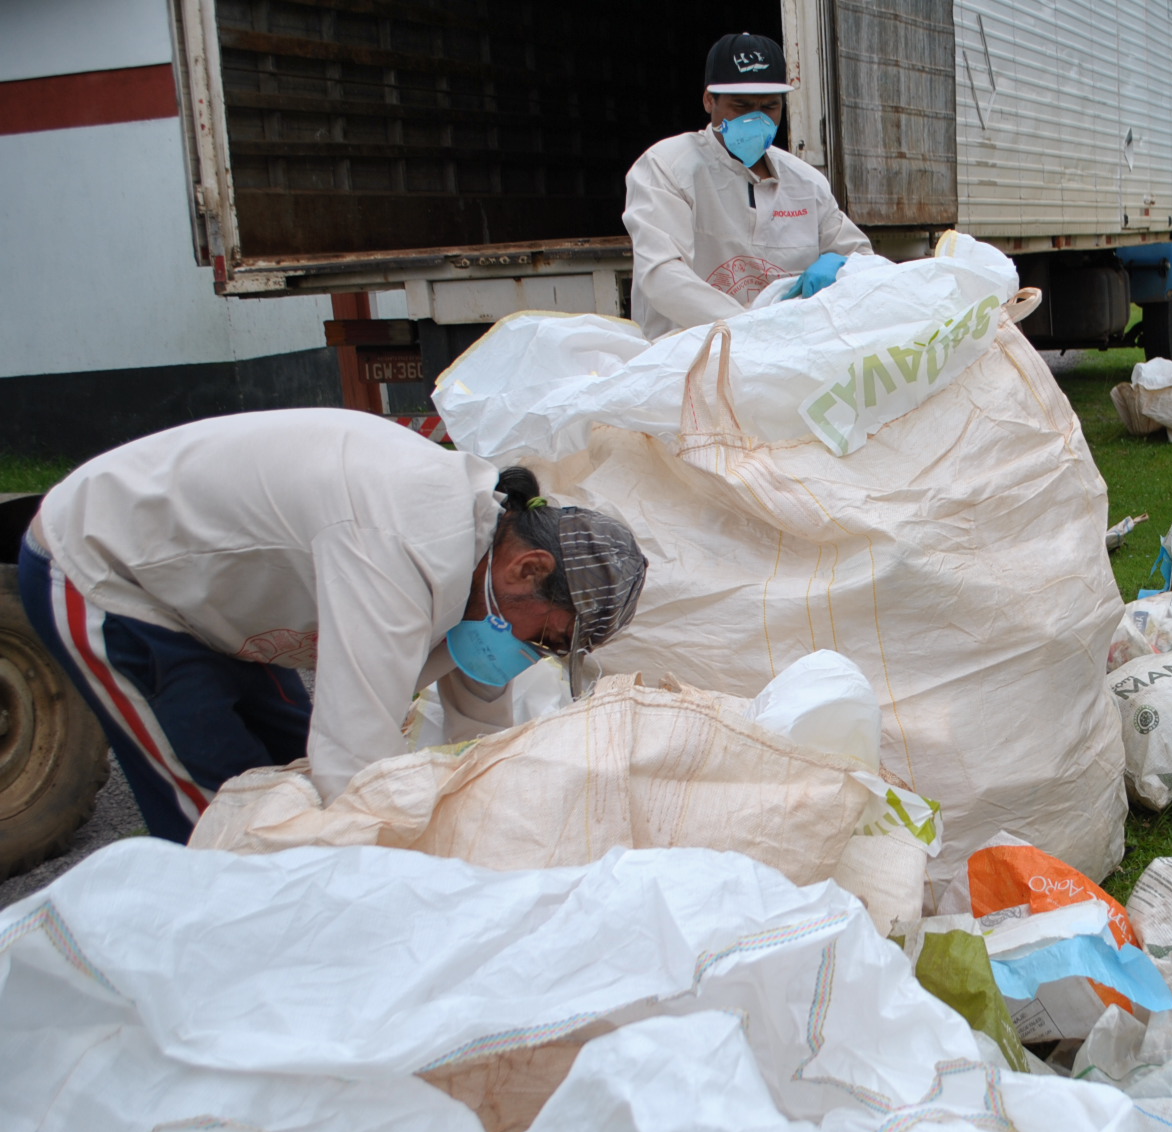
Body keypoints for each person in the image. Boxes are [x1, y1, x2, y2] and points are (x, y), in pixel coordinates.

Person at [18, 408, 647, 843]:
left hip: (221, 595)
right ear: (529, 568)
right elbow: (354, 771)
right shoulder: (398, 550)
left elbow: (476, 739)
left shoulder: (484, 555)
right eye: (546, 639)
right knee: (225, 819)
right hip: (112, 567)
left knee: (287, 777)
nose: (531, 655)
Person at [622, 32, 871, 341]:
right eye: (741, 105)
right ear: (709, 99)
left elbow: (863, 261)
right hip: (689, 358)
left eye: (769, 106)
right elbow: (661, 277)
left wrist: (846, 264)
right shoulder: (667, 168)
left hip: (784, 355)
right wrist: (753, 329)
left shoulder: (806, 182)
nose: (756, 118)